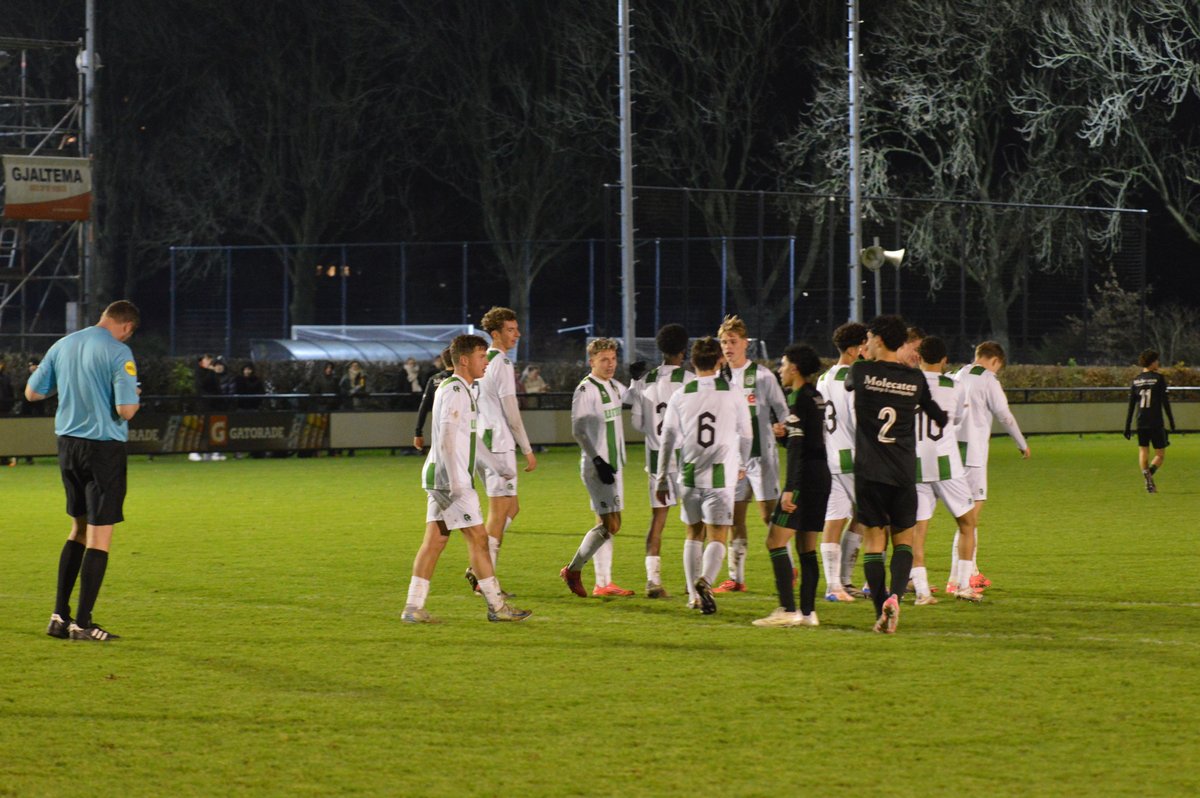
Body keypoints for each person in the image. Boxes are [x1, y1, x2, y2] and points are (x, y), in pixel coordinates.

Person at [26, 300, 141, 642]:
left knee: (77, 528)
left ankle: (59, 617)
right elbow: (126, 409)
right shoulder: (119, 352)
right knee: (100, 535)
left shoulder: (64, 344)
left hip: (67, 447)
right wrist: (132, 396)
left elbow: (33, 392)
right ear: (127, 326)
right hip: (102, 449)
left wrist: (74, 387)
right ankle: (84, 623)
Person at [401, 334, 531, 623]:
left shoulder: (464, 389)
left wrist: (496, 465)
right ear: (464, 360)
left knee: (435, 542)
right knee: (479, 540)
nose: (486, 362)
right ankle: (497, 608)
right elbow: (446, 437)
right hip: (452, 481)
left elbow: (470, 438)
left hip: (443, 478)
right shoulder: (456, 391)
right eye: (481, 357)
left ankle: (413, 607)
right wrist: (458, 482)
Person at [844, 314, 948, 634]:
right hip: (903, 470)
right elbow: (937, 416)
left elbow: (849, 385)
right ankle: (895, 599)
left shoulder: (860, 371)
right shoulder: (914, 379)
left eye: (870, 338)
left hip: (869, 471)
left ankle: (881, 609)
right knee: (904, 540)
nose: (867, 344)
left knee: (875, 542)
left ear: (878, 339)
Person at [655, 337, 751, 614]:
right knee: (718, 535)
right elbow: (746, 435)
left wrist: (662, 477)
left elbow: (668, 439)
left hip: (689, 474)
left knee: (693, 533)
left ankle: (692, 597)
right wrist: (743, 463)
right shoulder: (733, 392)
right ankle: (705, 582)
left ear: (692, 362)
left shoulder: (681, 394)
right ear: (720, 360)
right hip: (720, 476)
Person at [754, 343, 830, 627]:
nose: (780, 369)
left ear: (795, 368)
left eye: (784, 364)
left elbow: (799, 451)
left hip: (804, 479)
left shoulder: (797, 400)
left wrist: (790, 489)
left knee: (774, 540)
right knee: (806, 547)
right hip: (821, 476)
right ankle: (809, 613)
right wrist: (784, 436)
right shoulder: (816, 396)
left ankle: (787, 609)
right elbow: (806, 439)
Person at [715, 315, 790, 593]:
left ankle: (788, 564)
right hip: (732, 460)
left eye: (732, 341)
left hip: (761, 458)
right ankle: (736, 578)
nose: (727, 347)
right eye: (723, 342)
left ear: (745, 343)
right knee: (735, 518)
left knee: (768, 516)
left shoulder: (762, 376)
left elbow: (782, 409)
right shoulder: (719, 377)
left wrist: (783, 425)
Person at [951, 341, 1030, 593]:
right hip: (973, 455)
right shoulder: (988, 380)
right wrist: (1021, 443)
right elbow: (1004, 415)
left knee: (963, 519)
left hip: (953, 453)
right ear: (995, 361)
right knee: (970, 520)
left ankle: (969, 572)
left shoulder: (956, 374)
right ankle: (960, 579)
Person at [469, 307, 537, 592]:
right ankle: (485, 579)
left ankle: (479, 568)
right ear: (495, 334)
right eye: (511, 329)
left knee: (512, 507)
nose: (517, 334)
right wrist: (527, 449)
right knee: (498, 514)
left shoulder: (482, 362)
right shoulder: (503, 364)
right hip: (498, 444)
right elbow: (512, 412)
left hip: (483, 443)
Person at [560, 338, 632, 597]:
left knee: (611, 523)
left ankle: (603, 583)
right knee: (610, 525)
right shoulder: (586, 389)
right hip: (597, 466)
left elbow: (634, 397)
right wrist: (597, 460)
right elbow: (577, 429)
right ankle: (574, 570)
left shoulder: (612, 385)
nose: (610, 364)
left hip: (613, 465)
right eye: (604, 359)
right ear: (592, 362)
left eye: (613, 359)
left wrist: (640, 378)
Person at [911, 336, 981, 605]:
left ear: (918, 358)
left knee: (918, 531)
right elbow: (958, 420)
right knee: (967, 523)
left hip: (915, 464)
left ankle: (922, 592)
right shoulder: (955, 385)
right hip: (946, 464)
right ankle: (963, 585)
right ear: (944, 361)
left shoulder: (908, 384)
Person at [627, 323, 695, 598]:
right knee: (695, 524)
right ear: (683, 350)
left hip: (657, 462)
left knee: (658, 521)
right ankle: (697, 583)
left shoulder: (646, 380)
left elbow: (637, 424)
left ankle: (653, 582)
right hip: (686, 459)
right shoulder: (690, 380)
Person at [815, 322, 868, 603]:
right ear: (853, 349)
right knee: (870, 519)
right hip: (854, 458)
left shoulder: (824, 378)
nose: (866, 348)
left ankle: (836, 585)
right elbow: (858, 419)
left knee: (836, 520)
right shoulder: (853, 377)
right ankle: (851, 581)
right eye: (863, 344)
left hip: (831, 456)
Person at [1124, 349, 1175, 493]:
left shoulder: (1136, 380)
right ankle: (1149, 474)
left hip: (1140, 421)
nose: (1158, 363)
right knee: (1160, 454)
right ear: (1152, 362)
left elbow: (1131, 406)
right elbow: (1165, 402)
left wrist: (1127, 426)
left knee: (1143, 450)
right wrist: (1171, 421)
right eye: (1156, 360)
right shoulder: (1159, 379)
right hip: (1156, 421)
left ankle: (1146, 476)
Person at [413, 348, 453, 452]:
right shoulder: (464, 379)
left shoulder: (434, 379)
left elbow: (424, 407)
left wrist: (418, 432)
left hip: (439, 429)